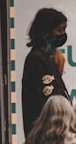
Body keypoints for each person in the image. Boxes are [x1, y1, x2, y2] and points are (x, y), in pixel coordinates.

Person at [20, 7, 70, 135]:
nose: (63, 34)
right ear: (47, 31)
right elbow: (49, 98)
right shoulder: (37, 58)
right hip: (47, 134)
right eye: (60, 30)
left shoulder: (49, 56)